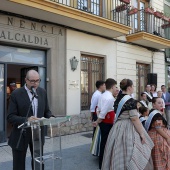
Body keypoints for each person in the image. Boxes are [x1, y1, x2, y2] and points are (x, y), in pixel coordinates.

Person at [101, 79, 154, 170]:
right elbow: (134, 118)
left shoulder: (118, 98)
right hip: (128, 127)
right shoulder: (130, 101)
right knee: (133, 152)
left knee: (118, 152)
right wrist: (142, 133)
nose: (133, 88)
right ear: (129, 87)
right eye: (133, 86)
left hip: (117, 127)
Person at [7, 70, 53, 170]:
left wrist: (51, 117)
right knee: (19, 166)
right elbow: (10, 116)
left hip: (37, 133)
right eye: (32, 81)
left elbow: (47, 111)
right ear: (26, 80)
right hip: (20, 134)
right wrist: (27, 119)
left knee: (38, 163)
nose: (35, 83)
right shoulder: (16, 94)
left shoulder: (42, 92)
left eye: (37, 80)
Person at [93, 78, 117, 169]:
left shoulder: (102, 96)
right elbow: (103, 113)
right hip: (107, 123)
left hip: (104, 122)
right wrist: (98, 121)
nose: (116, 88)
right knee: (106, 144)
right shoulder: (110, 98)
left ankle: (103, 164)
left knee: (104, 143)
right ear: (112, 86)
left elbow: (98, 109)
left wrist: (99, 120)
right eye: (115, 86)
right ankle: (104, 164)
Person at [145, 97, 170, 169]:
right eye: (159, 103)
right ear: (153, 105)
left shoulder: (155, 112)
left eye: (162, 102)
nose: (161, 104)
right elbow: (158, 128)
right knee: (160, 156)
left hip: (157, 136)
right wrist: (167, 137)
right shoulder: (156, 115)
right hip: (158, 138)